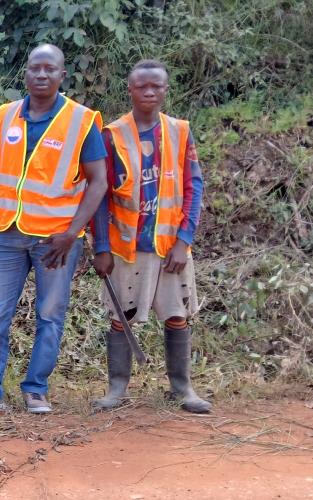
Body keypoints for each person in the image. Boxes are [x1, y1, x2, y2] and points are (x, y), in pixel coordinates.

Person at [0, 44, 108, 415]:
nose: (41, 75)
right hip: (7, 233)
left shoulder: (81, 120)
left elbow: (98, 182)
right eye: (35, 68)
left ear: (62, 75)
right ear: (25, 72)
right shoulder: (5, 116)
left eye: (49, 69)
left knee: (50, 315)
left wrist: (74, 233)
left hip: (56, 239)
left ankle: (35, 389)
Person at [90, 60, 211, 414]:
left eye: (156, 86)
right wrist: (100, 246)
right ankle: (117, 389)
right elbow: (99, 194)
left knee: (177, 315)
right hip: (127, 246)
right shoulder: (112, 134)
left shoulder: (179, 132)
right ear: (130, 89)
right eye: (142, 86)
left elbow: (193, 187)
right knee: (120, 317)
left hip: (170, 245)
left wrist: (183, 241)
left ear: (165, 90)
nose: (149, 92)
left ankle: (182, 388)